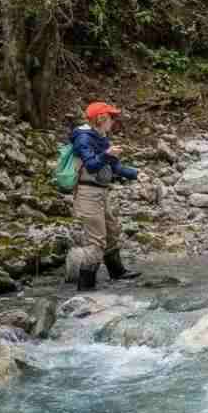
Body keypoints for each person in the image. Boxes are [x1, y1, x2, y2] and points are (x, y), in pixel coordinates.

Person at [70, 102, 146, 291]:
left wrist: (137, 174)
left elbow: (116, 167)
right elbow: (91, 166)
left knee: (112, 231)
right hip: (87, 194)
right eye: (111, 117)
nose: (114, 121)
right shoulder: (83, 138)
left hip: (102, 192)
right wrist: (106, 154)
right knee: (96, 241)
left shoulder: (102, 138)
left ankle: (117, 272)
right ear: (101, 119)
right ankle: (85, 287)